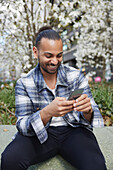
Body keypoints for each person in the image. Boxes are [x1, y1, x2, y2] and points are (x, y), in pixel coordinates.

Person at [1, 26, 107, 170]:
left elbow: (95, 120)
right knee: (9, 160)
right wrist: (47, 112)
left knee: (96, 165)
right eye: (49, 56)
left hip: (73, 131)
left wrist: (88, 111)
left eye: (59, 55)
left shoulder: (75, 76)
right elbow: (22, 126)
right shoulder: (24, 83)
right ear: (35, 52)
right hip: (40, 133)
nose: (55, 61)